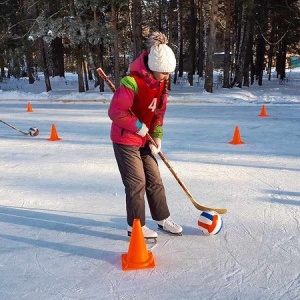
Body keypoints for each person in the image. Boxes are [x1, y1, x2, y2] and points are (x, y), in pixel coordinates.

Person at [108, 31, 182, 239]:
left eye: (168, 73)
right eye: (164, 72)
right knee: (136, 182)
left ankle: (162, 218)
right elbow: (116, 112)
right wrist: (138, 126)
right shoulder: (130, 81)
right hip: (125, 138)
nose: (167, 77)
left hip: (145, 138)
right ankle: (136, 226)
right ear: (153, 67)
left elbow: (159, 112)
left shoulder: (161, 84)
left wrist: (157, 136)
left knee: (155, 179)